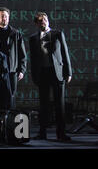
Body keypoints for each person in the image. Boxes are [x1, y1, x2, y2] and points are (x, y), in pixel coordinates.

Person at [29, 12, 72, 141]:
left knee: (60, 104)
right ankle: (42, 133)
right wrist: (34, 75)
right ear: (36, 23)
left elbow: (65, 53)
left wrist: (68, 72)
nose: (44, 22)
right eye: (40, 21)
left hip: (57, 72)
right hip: (43, 73)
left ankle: (61, 133)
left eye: (45, 20)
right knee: (43, 105)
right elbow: (33, 59)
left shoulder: (57, 34)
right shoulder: (33, 38)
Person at [0, 7, 27, 109]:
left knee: (11, 97)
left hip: (11, 71)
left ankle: (9, 122)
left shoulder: (15, 33)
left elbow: (22, 54)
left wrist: (22, 70)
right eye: (2, 16)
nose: (4, 18)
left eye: (6, 16)